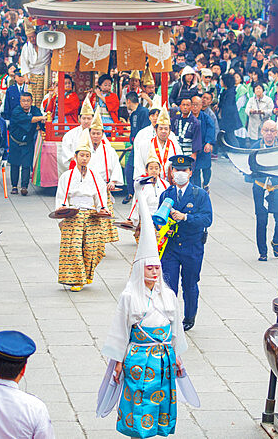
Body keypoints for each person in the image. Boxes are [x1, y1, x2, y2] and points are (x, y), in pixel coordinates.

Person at [100, 196, 191, 437]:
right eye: (149, 268)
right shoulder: (129, 296)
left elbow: (175, 327)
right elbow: (121, 330)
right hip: (138, 356)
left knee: (161, 404)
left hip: (164, 356)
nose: (154, 272)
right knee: (138, 405)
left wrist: (178, 356)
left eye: (156, 268)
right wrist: (118, 361)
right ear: (140, 270)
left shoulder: (169, 295)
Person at [157, 155, 213, 332]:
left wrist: (186, 217)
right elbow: (159, 219)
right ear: (171, 173)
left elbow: (207, 219)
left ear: (190, 172)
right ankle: (169, 316)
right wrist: (164, 226)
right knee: (168, 283)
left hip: (192, 246)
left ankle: (189, 316)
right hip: (171, 247)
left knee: (189, 284)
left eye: (184, 170)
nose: (180, 173)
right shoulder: (167, 194)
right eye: (176, 170)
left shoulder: (199, 194)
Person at [54, 132, 108, 292]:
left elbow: (101, 195)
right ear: (75, 157)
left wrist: (102, 209)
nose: (84, 158)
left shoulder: (95, 176)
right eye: (81, 155)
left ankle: (87, 273)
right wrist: (61, 217)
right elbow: (61, 197)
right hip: (73, 214)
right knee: (74, 248)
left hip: (92, 215)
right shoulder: (67, 176)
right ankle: (77, 279)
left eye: (87, 155)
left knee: (93, 248)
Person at [248, 120, 278, 261]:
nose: (269, 133)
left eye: (272, 130)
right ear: (261, 131)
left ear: (276, 132)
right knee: (261, 220)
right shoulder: (255, 147)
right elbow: (249, 169)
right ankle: (262, 252)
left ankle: (276, 242)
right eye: (266, 130)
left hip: (277, 188)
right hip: (260, 187)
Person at [7, 92, 45, 196]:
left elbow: (40, 121)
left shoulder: (34, 110)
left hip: (28, 142)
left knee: (26, 165)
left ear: (31, 102)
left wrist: (42, 123)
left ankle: (24, 187)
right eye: (23, 101)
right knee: (14, 164)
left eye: (28, 101)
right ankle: (14, 186)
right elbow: (31, 120)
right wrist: (41, 118)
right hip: (15, 141)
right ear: (20, 102)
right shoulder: (16, 111)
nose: (26, 103)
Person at [58, 99, 94, 177]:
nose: (86, 121)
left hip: (94, 165)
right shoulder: (71, 134)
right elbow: (66, 150)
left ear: (93, 119)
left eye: (89, 118)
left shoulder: (97, 134)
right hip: (76, 164)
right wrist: (77, 160)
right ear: (79, 118)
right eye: (84, 118)